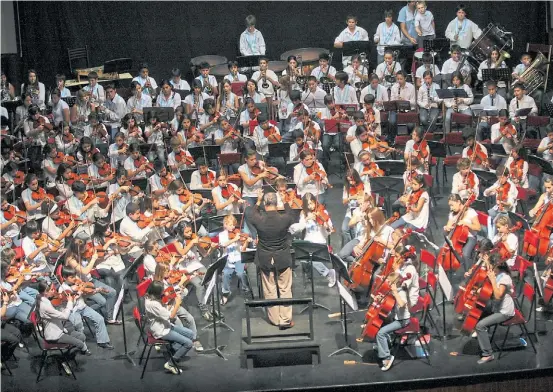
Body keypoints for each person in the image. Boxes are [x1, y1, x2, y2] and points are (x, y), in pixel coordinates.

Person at [248, 190, 297, 328]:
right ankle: (285, 319)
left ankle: (275, 319)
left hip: (265, 257)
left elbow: (251, 216)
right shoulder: (283, 219)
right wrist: (285, 201)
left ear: (265, 203)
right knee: (285, 288)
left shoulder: (260, 219)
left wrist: (257, 202)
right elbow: (292, 215)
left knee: (269, 288)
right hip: (282, 256)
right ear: (276, 203)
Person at [375, 256, 419, 371]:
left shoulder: (402, 292)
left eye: (390, 282)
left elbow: (402, 304)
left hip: (402, 321)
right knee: (380, 322)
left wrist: (394, 292)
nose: (388, 283)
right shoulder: (398, 289)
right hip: (396, 317)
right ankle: (385, 344)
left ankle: (387, 357)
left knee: (380, 333)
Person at [144, 280, 195, 374]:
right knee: (189, 344)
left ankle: (173, 350)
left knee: (191, 334)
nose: (163, 293)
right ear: (156, 293)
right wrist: (178, 303)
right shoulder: (153, 304)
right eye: (161, 292)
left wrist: (172, 298)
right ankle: (171, 363)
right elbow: (171, 316)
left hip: (166, 325)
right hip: (162, 331)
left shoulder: (150, 297)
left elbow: (164, 310)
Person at [289, 193, 336, 287]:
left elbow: (329, 231)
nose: (311, 206)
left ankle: (328, 273)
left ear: (315, 202)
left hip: (319, 241)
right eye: (308, 205)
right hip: (308, 241)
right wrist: (306, 219)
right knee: (304, 257)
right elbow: (299, 228)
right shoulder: (304, 213)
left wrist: (325, 225)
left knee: (310, 258)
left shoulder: (322, 212)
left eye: (312, 203)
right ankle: (310, 274)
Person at [474, 260, 516, 364]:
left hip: (504, 312)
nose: (490, 269)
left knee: (480, 325)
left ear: (497, 266)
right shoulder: (498, 275)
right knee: (478, 311)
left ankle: (488, 354)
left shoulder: (504, 278)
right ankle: (483, 335)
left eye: (492, 267)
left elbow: (497, 296)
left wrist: (492, 280)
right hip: (496, 307)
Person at [219, 215, 252, 304]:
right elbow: (223, 245)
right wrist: (234, 239)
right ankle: (225, 293)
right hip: (228, 258)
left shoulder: (238, 233)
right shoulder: (222, 235)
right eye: (230, 225)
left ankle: (246, 288)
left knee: (241, 274)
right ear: (225, 225)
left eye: (234, 225)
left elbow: (243, 249)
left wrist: (246, 242)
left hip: (238, 257)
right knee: (225, 274)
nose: (233, 227)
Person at [443, 193, 481, 268]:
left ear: (458, 202)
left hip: (470, 237)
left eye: (452, 205)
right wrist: (447, 228)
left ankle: (468, 272)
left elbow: (478, 227)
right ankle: (448, 268)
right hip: (456, 236)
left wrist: (466, 223)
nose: (451, 208)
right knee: (445, 249)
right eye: (450, 206)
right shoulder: (452, 214)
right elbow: (449, 225)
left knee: (465, 254)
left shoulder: (471, 212)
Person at [483, 166, 518, 239]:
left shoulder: (512, 187)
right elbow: (485, 193)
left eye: (502, 178)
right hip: (498, 209)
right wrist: (492, 190)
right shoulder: (498, 183)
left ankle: (493, 239)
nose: (500, 180)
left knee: (495, 221)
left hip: (507, 211)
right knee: (489, 218)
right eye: (498, 178)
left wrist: (502, 203)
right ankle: (490, 238)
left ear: (507, 176)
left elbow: (510, 204)